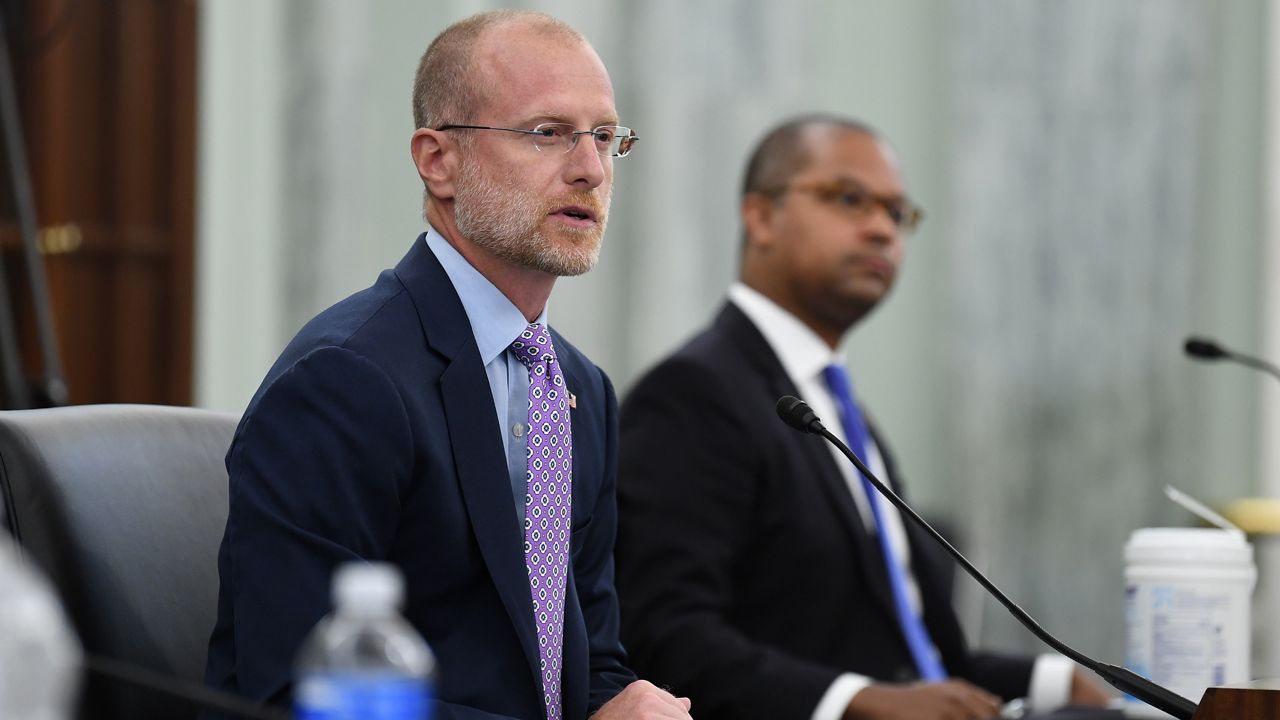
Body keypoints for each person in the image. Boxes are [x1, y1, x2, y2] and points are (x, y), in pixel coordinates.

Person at [203, 11, 692, 720]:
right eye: (547, 132)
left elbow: (577, 657)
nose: (590, 168)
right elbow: (303, 696)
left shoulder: (577, 390)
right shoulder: (344, 382)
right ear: (439, 161)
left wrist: (627, 701)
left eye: (606, 137)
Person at [614, 115, 1111, 720]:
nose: (880, 228)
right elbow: (666, 636)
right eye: (849, 199)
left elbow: (922, 664)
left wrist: (1056, 681)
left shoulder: (836, 412)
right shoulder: (694, 393)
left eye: (897, 213)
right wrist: (853, 701)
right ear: (761, 217)